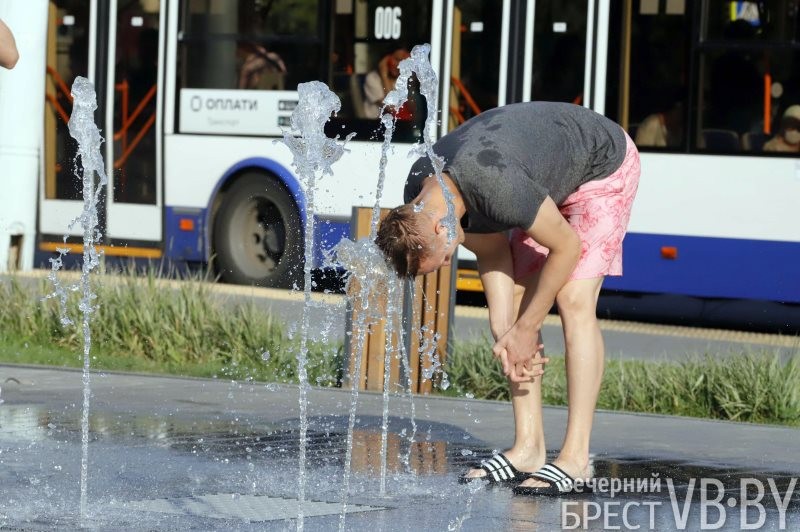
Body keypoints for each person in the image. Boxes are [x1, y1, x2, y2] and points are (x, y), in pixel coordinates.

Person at [375, 101, 640, 495]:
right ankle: (528, 448)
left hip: (600, 162)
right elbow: (493, 250)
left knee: (572, 298)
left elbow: (566, 248)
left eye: (443, 259)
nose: (448, 264)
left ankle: (576, 458)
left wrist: (528, 326)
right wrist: (506, 331)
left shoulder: (496, 188)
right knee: (516, 309)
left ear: (439, 226)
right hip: (538, 173)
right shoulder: (421, 189)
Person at [362, 47, 411, 118]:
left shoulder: (403, 80)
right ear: (385, 59)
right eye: (397, 60)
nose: (399, 65)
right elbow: (392, 107)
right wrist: (384, 75)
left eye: (404, 62)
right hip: (374, 123)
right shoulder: (372, 78)